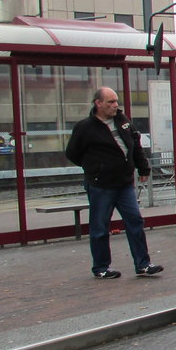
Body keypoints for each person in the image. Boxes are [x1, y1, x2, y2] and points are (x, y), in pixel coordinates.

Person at [65, 87, 164, 279]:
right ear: (98, 103)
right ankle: (101, 267)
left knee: (135, 221)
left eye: (116, 101)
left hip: (124, 183)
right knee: (100, 227)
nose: (115, 105)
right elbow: (72, 153)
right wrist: (94, 168)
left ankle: (143, 264)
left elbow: (136, 146)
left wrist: (143, 169)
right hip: (100, 185)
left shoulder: (123, 121)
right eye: (110, 102)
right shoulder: (85, 127)